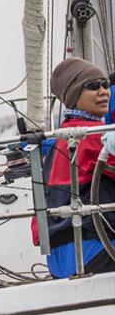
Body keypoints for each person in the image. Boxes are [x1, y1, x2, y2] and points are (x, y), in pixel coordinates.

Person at [35, 57, 115, 277]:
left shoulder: (64, 136)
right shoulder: (90, 135)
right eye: (93, 86)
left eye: (105, 85)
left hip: (59, 260)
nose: (103, 91)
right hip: (92, 252)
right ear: (73, 95)